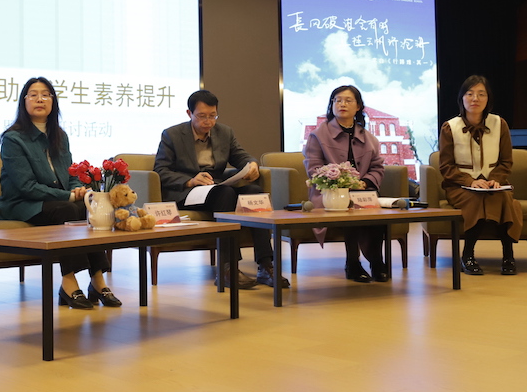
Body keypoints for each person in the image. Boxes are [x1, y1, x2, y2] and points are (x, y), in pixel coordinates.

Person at [0, 77, 121, 310]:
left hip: (54, 201)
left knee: (88, 206)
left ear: (53, 102)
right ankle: (68, 282)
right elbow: (26, 186)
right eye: (33, 95)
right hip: (23, 204)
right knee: (66, 209)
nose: (40, 99)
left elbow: (70, 172)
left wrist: (78, 189)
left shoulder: (60, 136)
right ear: (24, 101)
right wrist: (68, 196)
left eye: (46, 95)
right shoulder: (13, 139)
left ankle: (97, 279)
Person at [155, 89, 287, 290]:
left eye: (212, 116)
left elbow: (242, 156)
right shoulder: (172, 135)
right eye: (202, 116)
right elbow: (161, 170)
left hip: (215, 188)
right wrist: (190, 180)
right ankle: (228, 267)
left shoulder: (224, 132)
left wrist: (252, 165)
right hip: (188, 192)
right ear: (189, 114)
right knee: (225, 193)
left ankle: (266, 265)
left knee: (253, 193)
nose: (208, 121)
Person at [439, 75, 523, 276]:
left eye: (481, 94)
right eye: (470, 94)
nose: (475, 98)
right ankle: (467, 254)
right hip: (459, 186)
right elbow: (446, 166)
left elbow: (506, 161)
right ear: (462, 98)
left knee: (503, 197)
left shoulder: (500, 124)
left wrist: (496, 179)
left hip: (494, 184)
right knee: (476, 198)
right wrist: (470, 181)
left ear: (488, 99)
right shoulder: (450, 127)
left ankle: (508, 255)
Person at [303, 85, 388, 282]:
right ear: (332, 105)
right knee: (348, 204)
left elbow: (377, 167)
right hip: (330, 193)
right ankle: (352, 263)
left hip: (362, 191)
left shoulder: (369, 138)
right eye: (337, 100)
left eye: (348, 100)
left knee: (374, 208)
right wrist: (338, 182)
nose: (342, 104)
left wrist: (365, 183)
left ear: (358, 106)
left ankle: (377, 262)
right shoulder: (318, 135)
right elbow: (313, 168)